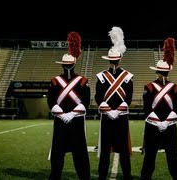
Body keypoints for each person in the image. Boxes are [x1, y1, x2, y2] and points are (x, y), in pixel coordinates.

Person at [47, 31, 91, 180]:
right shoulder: (57, 81)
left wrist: (67, 115)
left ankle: (83, 176)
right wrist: (66, 115)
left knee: (79, 152)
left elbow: (86, 102)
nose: (67, 67)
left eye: (67, 64)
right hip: (66, 120)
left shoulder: (81, 80)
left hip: (70, 120)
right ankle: (56, 176)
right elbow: (51, 102)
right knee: (59, 153)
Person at [140, 37, 177, 180]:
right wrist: (165, 123)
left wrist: (158, 123)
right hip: (170, 127)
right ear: (168, 72)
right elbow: (176, 111)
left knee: (150, 158)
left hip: (153, 127)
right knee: (172, 158)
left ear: (157, 72)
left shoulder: (149, 87)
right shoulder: (175, 88)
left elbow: (146, 110)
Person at [95, 26, 133, 180]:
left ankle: (127, 175)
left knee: (123, 149)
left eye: (115, 60)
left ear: (119, 59)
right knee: (104, 149)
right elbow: (98, 96)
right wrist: (108, 110)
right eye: (112, 60)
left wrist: (118, 110)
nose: (113, 63)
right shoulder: (101, 76)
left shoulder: (128, 77)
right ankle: (102, 175)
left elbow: (129, 97)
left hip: (121, 116)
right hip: (106, 116)